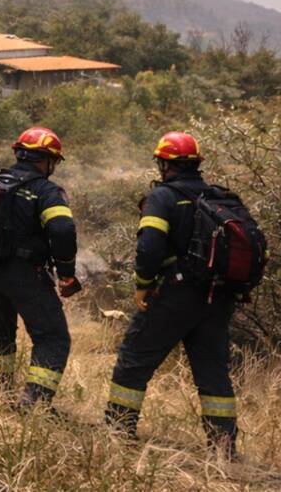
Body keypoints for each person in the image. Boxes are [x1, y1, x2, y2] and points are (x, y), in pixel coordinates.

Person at [105, 131, 239, 454]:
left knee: (134, 359)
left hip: (175, 294)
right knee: (213, 374)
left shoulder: (162, 198)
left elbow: (149, 247)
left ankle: (117, 433)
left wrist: (143, 285)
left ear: (164, 164)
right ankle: (223, 450)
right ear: (196, 164)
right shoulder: (219, 197)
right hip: (217, 297)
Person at [0, 127, 81, 406]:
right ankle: (33, 405)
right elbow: (62, 229)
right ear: (46, 160)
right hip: (24, 274)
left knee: (1, 330)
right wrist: (66, 274)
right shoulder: (46, 190)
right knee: (53, 339)